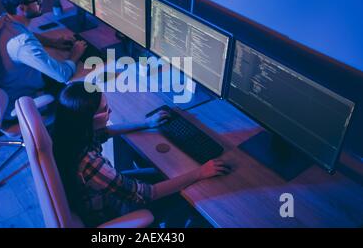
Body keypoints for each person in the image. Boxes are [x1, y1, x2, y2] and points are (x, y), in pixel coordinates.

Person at [52, 81, 231, 227]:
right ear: (88, 119)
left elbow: (107, 132)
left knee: (162, 174)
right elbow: (149, 193)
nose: (110, 111)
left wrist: (146, 123)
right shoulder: (91, 164)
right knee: (185, 197)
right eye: (105, 109)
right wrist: (201, 172)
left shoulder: (69, 134)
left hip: (97, 196)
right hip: (108, 213)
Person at [0, 0, 87, 117]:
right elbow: (62, 75)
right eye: (36, 0)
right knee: (80, 88)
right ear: (22, 7)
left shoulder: (2, 21)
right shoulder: (23, 44)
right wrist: (75, 53)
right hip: (21, 102)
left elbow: (26, 34)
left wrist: (53, 42)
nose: (41, 2)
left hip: (6, 89)